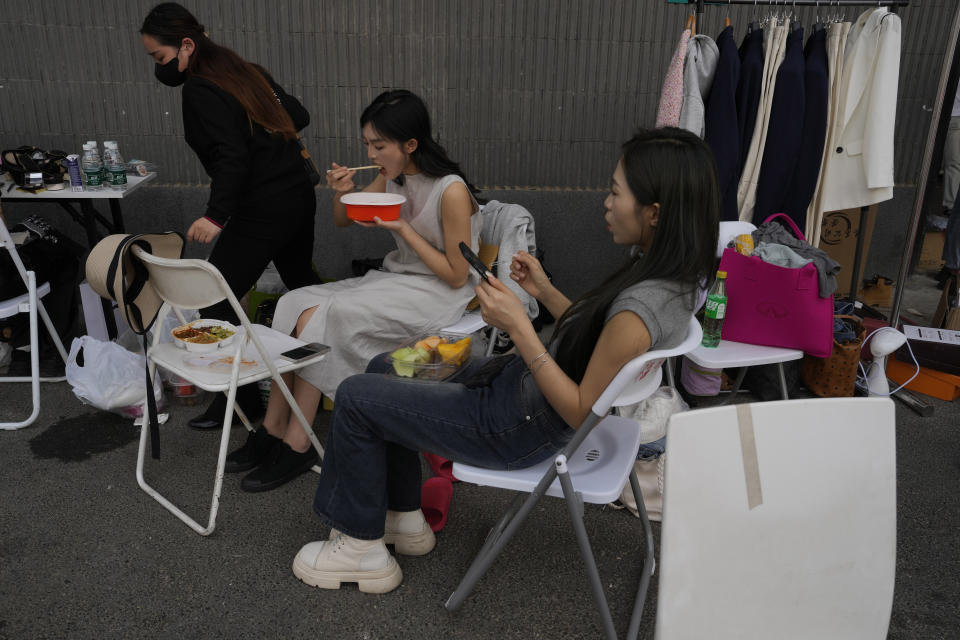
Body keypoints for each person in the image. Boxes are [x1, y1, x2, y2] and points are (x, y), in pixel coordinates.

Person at [289, 127, 720, 594]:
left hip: (517, 426)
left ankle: (359, 551)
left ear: (654, 213)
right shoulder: (671, 280)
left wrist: (519, 327)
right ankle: (401, 517)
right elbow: (599, 338)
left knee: (354, 396)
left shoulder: (640, 310)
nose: (606, 203)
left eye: (616, 193)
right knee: (384, 367)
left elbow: (580, 408)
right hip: (521, 396)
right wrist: (543, 292)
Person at [224, 89, 484, 492]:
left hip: (439, 293)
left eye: (379, 145)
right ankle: (274, 426)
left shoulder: (449, 190)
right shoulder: (394, 175)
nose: (372, 153)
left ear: (410, 144)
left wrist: (402, 229)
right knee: (294, 300)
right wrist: (342, 192)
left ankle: (299, 441)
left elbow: (455, 275)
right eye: (367, 144)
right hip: (397, 280)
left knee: (327, 314)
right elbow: (344, 219)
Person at [140, 3, 321, 430]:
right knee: (307, 293)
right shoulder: (244, 71)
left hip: (262, 209)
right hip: (297, 197)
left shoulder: (201, 88)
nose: (158, 67)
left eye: (159, 57)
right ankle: (328, 383)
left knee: (214, 300)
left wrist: (216, 216)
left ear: (186, 45)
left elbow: (230, 155)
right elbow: (297, 115)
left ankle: (240, 404)